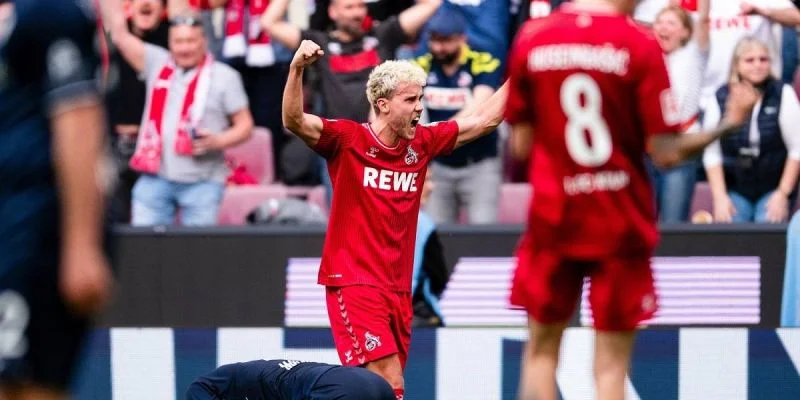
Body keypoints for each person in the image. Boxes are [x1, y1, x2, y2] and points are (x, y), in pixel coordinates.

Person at [504, 1, 759, 399]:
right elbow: (665, 152)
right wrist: (729, 123)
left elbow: (520, 145)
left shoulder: (533, 37)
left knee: (539, 355)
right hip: (618, 220)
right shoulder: (637, 43)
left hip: (555, 216)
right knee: (610, 370)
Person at [283, 40, 508, 399]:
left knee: (375, 389)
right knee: (388, 379)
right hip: (355, 281)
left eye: (421, 98)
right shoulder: (347, 139)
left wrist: (524, 71)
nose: (420, 107)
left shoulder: (423, 143)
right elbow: (294, 120)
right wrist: (297, 69)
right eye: (410, 100)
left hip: (398, 289)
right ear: (383, 104)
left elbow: (485, 120)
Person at [0, 0, 115, 399]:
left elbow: (79, 120)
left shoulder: (50, 13)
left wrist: (81, 245)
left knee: (28, 384)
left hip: (31, 231)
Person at [104, 0, 254, 226]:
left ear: (204, 41)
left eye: (191, 41)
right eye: (178, 41)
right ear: (170, 43)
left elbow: (246, 126)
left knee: (198, 248)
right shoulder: (157, 62)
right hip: (155, 179)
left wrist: (218, 141)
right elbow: (120, 36)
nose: (184, 48)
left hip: (203, 183)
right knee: (145, 244)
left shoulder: (225, 76)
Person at [414, 6, 504, 224]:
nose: (439, 47)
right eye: (434, 40)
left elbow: (480, 107)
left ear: (462, 38)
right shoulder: (421, 65)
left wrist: (435, 135)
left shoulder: (482, 61)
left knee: (484, 231)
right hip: (439, 166)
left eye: (446, 40)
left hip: (480, 164)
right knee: (436, 232)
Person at [702, 37, 800, 223]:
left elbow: (797, 150)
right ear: (736, 65)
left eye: (763, 59)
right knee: (730, 226)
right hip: (735, 186)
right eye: (750, 60)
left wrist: (782, 193)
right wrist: (720, 197)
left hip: (774, 185)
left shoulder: (783, 93)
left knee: (769, 223)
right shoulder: (720, 97)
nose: (758, 65)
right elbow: (712, 153)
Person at [646, 1, 710, 222]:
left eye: (671, 23)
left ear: (685, 32)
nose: (663, 27)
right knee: (644, 221)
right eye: (659, 22)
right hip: (650, 149)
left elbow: (703, 19)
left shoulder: (695, 53)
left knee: (673, 223)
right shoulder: (646, 57)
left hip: (681, 147)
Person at [185, 359, 395, 400]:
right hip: (377, 384)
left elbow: (197, 388)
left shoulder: (225, 380)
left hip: (338, 389)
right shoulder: (260, 375)